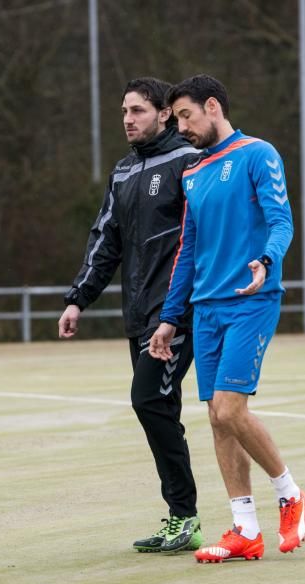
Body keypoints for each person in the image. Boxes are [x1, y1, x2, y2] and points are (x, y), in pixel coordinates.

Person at [148, 74, 305, 563]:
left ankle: (290, 493)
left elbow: (282, 220)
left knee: (231, 409)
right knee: (218, 421)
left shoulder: (259, 154)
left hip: (251, 300)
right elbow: (188, 252)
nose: (180, 128)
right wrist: (170, 318)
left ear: (212, 106)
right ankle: (245, 529)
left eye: (185, 117)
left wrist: (266, 259)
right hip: (206, 309)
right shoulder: (193, 174)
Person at [59, 77, 203, 554]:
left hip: (177, 313)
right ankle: (182, 520)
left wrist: (178, 307)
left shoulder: (189, 160)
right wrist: (78, 298)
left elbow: (203, 235)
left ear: (164, 113)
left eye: (138, 110)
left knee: (149, 401)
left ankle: (186, 517)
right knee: (161, 409)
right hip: (138, 315)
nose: (127, 119)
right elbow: (105, 242)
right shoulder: (122, 172)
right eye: (124, 110)